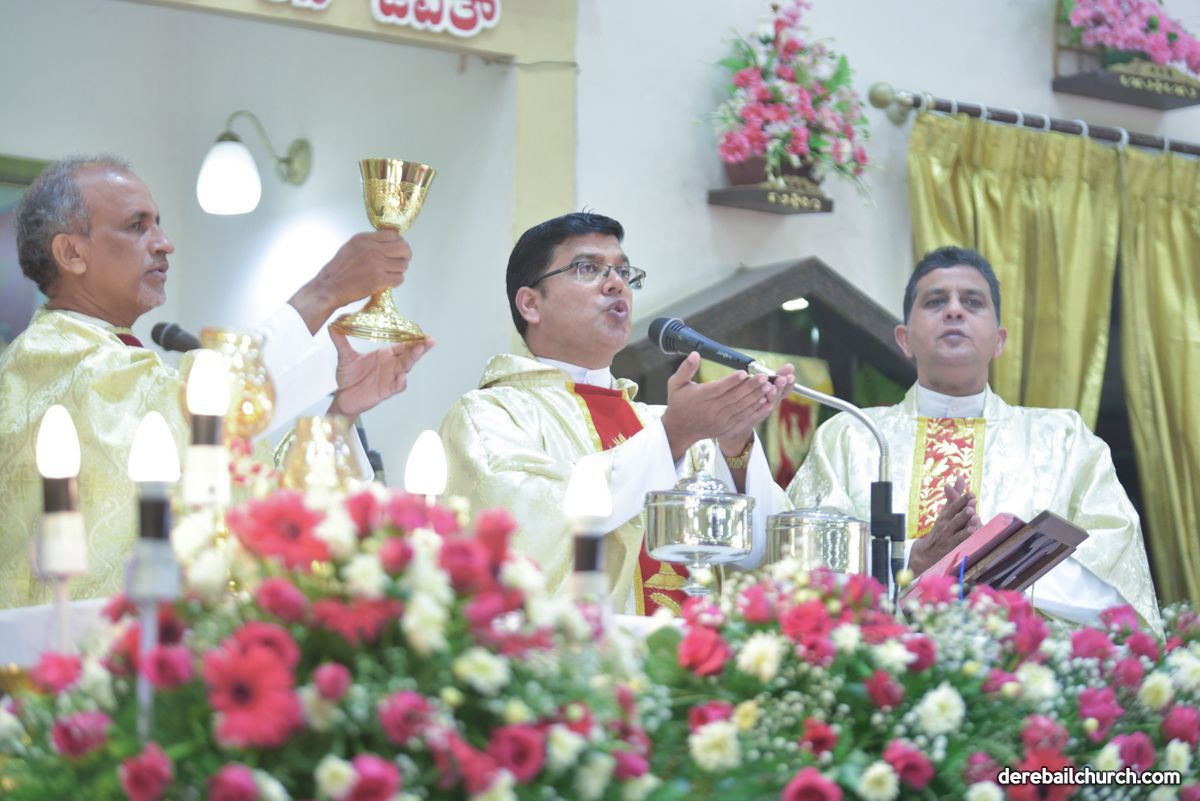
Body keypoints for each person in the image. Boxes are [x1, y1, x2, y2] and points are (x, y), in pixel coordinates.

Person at [0, 156, 433, 607]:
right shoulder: (54, 360)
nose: (164, 243)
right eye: (136, 226)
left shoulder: (116, 363)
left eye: (158, 224)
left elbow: (249, 498)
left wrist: (342, 413)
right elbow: (197, 413)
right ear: (71, 253)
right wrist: (326, 289)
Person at [440, 212, 795, 615]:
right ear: (531, 304)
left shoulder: (660, 425)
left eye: (624, 272)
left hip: (694, 649)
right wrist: (673, 437)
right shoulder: (491, 417)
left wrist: (734, 447)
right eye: (587, 268)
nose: (616, 284)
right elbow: (529, 531)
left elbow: (761, 556)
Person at [787, 246, 1159, 630]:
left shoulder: (1063, 440)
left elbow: (1117, 575)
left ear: (999, 340)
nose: (954, 310)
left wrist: (992, 563)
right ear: (904, 339)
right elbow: (802, 563)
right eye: (935, 301)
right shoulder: (852, 436)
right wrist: (911, 560)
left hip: (1023, 661)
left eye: (972, 302)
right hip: (880, 659)